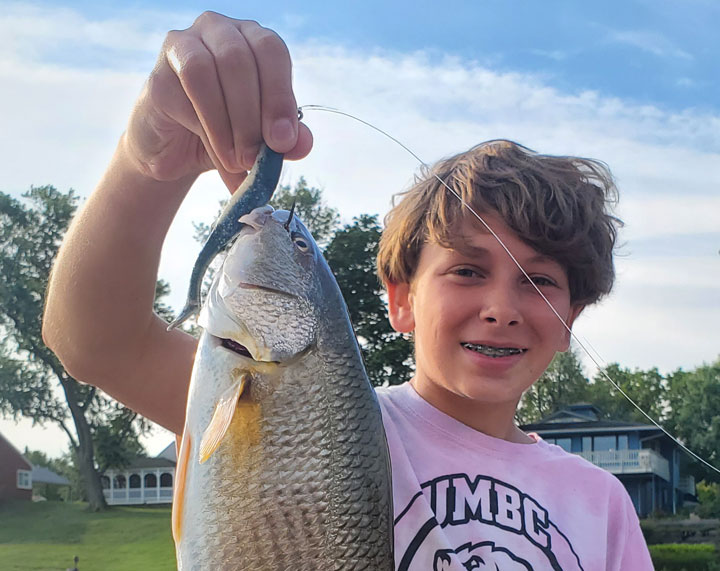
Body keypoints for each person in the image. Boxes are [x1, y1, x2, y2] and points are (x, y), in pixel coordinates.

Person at [42, 11, 653, 571]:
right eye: (467, 271)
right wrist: (146, 164)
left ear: (570, 318)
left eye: (538, 282)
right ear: (402, 300)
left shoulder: (602, 504)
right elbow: (94, 342)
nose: (500, 309)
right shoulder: (316, 405)